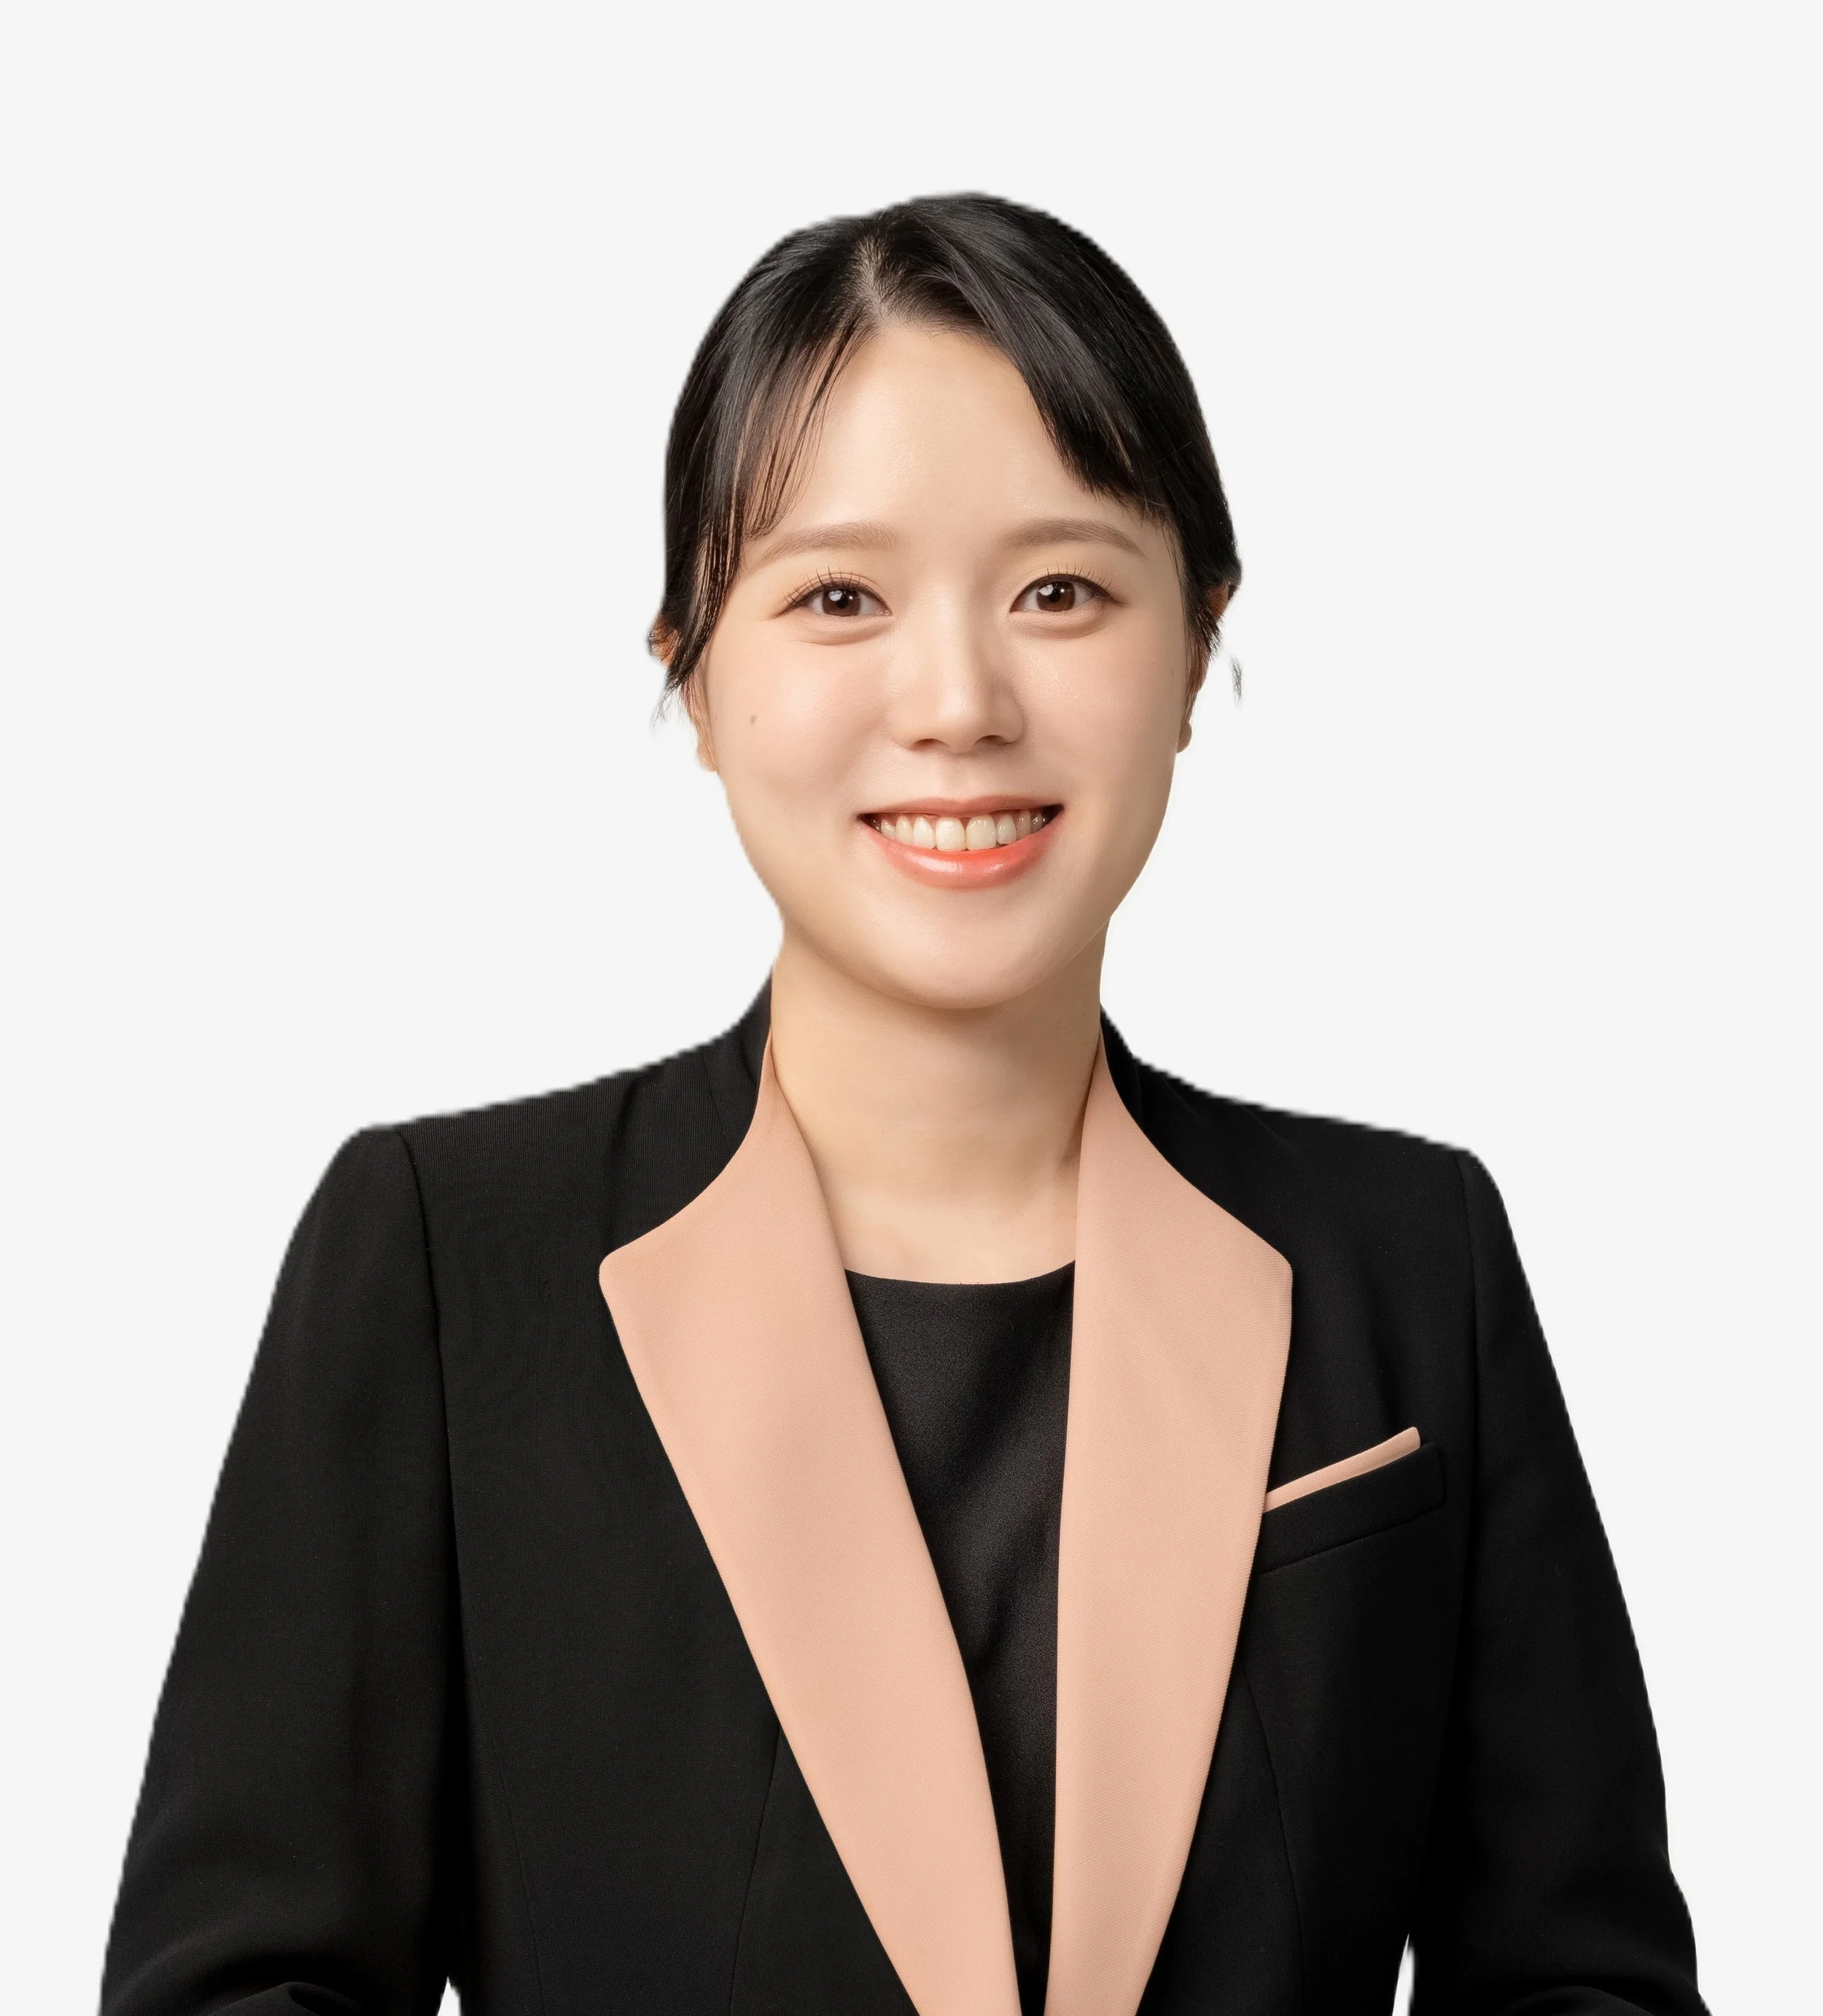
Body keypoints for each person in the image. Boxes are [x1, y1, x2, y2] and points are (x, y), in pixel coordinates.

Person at [100, 195, 1706, 2016]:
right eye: (837, 598)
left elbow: (1583, 1985)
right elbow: (241, 1988)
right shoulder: (441, 1261)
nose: (956, 700)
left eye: (1061, 591)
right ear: (691, 671)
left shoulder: (1410, 1261)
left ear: (1196, 645)